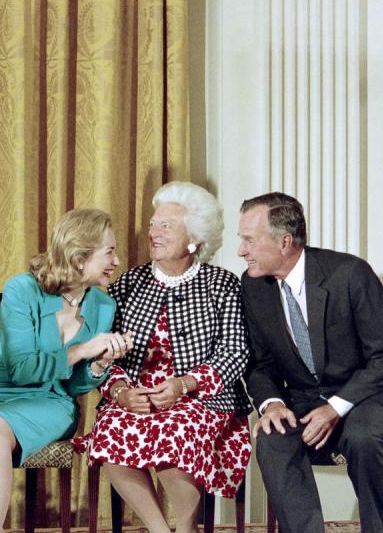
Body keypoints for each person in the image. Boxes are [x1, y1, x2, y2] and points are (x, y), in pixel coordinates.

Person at [0, 208, 133, 533]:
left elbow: (76, 386)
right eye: (109, 252)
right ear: (80, 256)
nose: (117, 261)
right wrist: (83, 349)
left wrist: (98, 364)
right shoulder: (22, 289)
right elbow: (22, 368)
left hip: (50, 400)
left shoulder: (103, 306)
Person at [75, 182, 252, 533]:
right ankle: (160, 529)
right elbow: (106, 350)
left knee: (178, 429)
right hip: (138, 396)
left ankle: (183, 528)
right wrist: (121, 391)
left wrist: (185, 384)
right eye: (153, 225)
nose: (152, 233)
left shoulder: (222, 284)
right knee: (111, 428)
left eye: (165, 226)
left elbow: (235, 352)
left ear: (194, 237)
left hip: (201, 398)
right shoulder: (129, 283)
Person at [237, 192, 383, 533]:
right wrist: (272, 404)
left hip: (376, 393)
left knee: (362, 436)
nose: (241, 251)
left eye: (249, 240)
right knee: (273, 438)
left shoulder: (349, 273)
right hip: (306, 397)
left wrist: (336, 407)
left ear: (284, 241)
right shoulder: (254, 286)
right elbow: (260, 365)